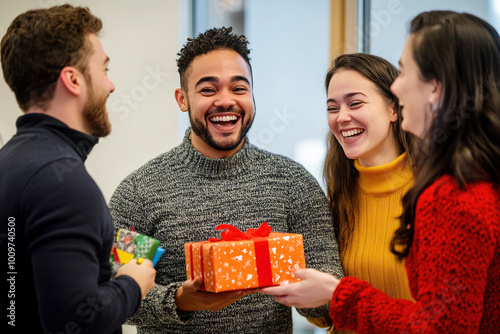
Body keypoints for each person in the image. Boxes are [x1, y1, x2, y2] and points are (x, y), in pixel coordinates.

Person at [260, 10, 500, 333]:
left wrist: (338, 293)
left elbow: (439, 326)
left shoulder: (450, 194)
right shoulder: (340, 190)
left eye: (404, 72)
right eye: (332, 107)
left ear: (435, 88)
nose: (398, 86)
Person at [109, 26, 344, 333]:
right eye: (208, 89)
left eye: (238, 88)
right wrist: (181, 300)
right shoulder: (140, 192)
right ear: (182, 99)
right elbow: (113, 295)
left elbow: (327, 299)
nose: (225, 101)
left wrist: (307, 290)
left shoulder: (294, 184)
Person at [0, 5, 156, 334]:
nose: (111, 85)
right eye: (104, 69)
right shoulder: (63, 182)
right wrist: (132, 284)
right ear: (73, 79)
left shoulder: (9, 163)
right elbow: (75, 321)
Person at [306, 53, 416, 333]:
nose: (342, 117)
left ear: (394, 109)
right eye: (332, 108)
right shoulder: (339, 191)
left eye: (355, 103)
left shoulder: (433, 190)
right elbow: (325, 316)